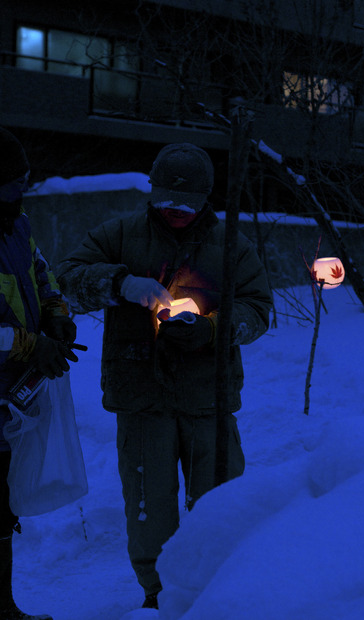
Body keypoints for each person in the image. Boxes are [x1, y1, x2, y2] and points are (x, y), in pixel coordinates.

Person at [56, 142, 272, 611]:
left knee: (219, 503)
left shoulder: (230, 244)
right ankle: (157, 596)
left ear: (205, 199)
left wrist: (213, 330)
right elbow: (66, 278)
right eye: (165, 201)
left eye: (186, 204)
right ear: (151, 192)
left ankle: (218, 591)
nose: (174, 211)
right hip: (141, 396)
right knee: (149, 506)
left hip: (207, 400)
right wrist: (119, 284)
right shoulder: (120, 234)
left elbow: (259, 308)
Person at [0, 127, 78, 620]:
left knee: (1, 507)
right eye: (11, 184)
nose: (21, 192)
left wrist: (56, 313)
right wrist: (33, 345)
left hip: (10, 393)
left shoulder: (18, 225)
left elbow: (41, 273)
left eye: (25, 181)